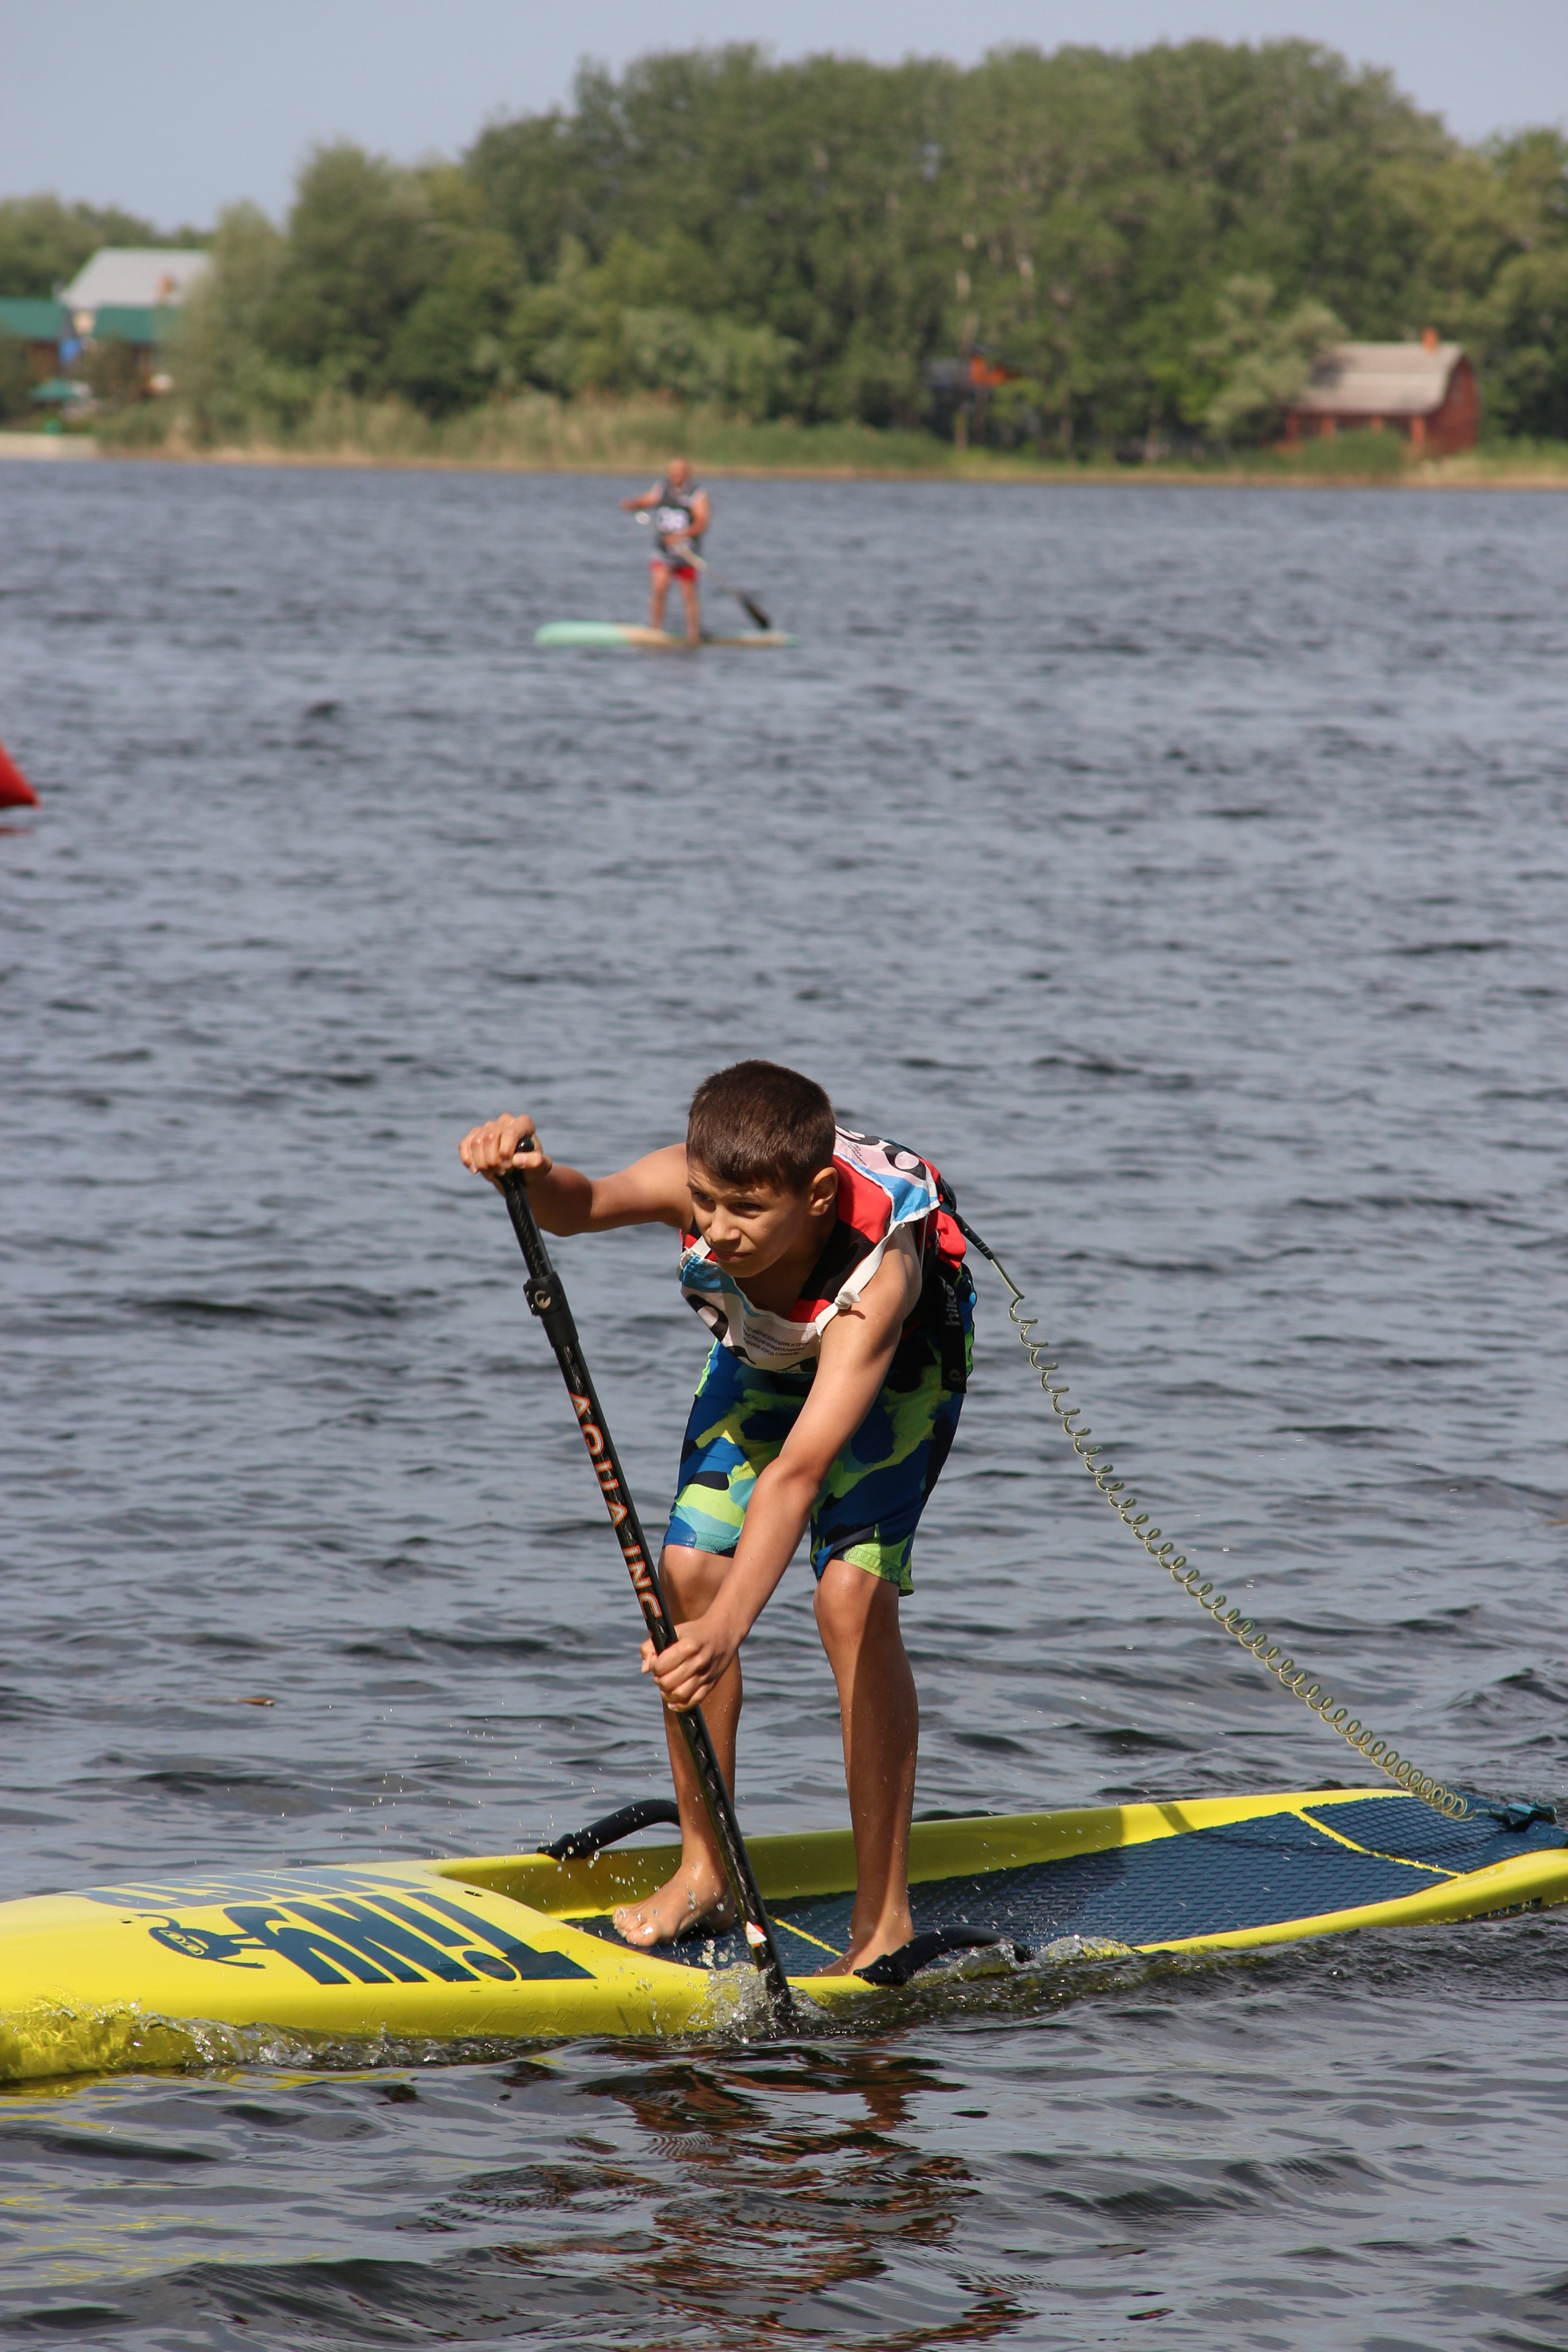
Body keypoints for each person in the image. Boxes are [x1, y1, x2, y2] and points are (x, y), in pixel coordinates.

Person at [458, 1060, 974, 1976]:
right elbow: (581, 1206)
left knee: (849, 1600)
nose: (718, 1229)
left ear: (817, 1198)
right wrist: (529, 1176)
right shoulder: (695, 1183)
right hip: (766, 1357)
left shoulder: (878, 1278)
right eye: (706, 1204)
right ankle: (706, 1871)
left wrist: (730, 1630)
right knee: (689, 1573)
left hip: (892, 1371)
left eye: (747, 1211)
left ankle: (883, 1918)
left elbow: (797, 1475)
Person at [620, 458, 710, 646]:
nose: (676, 476)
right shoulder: (662, 488)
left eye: (680, 473)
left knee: (688, 595)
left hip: (686, 554)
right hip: (663, 552)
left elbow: (702, 523)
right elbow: (647, 501)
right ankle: (656, 630)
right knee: (659, 589)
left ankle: (694, 635)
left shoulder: (697, 495)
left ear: (687, 474)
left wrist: (680, 536)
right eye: (673, 472)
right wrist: (634, 504)